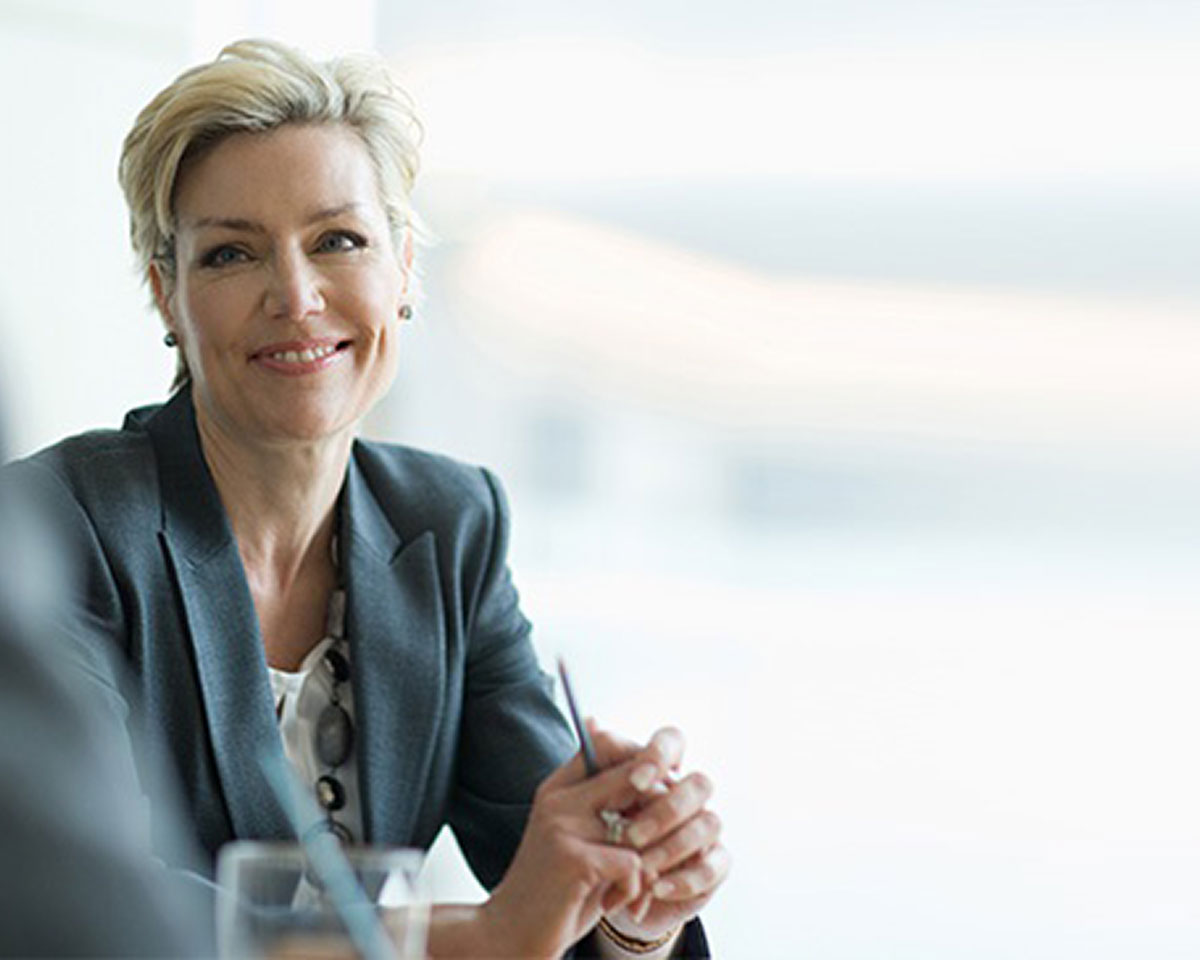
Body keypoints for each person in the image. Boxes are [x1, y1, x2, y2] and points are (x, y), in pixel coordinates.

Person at [6, 39, 728, 958]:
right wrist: (472, 938)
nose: (297, 296)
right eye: (231, 254)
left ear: (403, 268)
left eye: (338, 241)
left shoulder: (452, 522)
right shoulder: (50, 528)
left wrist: (631, 892)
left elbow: (552, 878)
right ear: (166, 296)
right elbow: (88, 913)